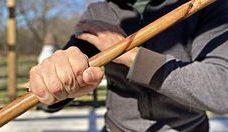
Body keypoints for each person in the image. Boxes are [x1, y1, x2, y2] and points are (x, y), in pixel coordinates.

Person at [29, 0, 228, 131]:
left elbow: (222, 90)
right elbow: (72, 61)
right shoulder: (98, 12)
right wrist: (52, 82)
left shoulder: (206, 5)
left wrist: (130, 54)